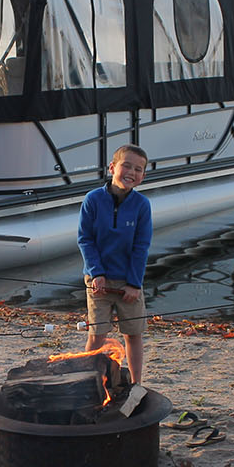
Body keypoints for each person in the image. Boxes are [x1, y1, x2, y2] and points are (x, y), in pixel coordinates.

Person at [77, 144, 153, 384]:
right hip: (98, 280)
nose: (131, 172)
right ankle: (89, 380)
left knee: (133, 334)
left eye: (138, 169)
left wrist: (133, 283)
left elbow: (141, 247)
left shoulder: (142, 205)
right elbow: (85, 239)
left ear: (143, 176)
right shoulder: (93, 200)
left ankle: (137, 383)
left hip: (128, 282)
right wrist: (96, 273)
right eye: (126, 165)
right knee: (97, 333)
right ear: (112, 167)